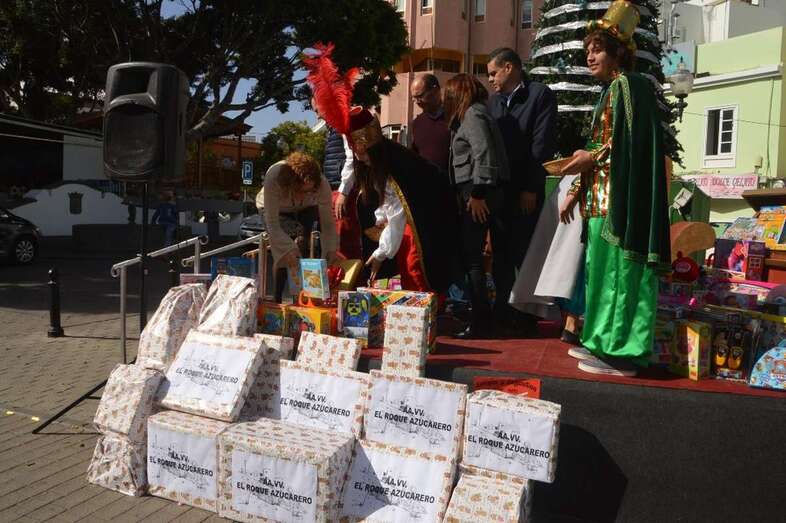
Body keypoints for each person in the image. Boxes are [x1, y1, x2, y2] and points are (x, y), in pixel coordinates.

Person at [560, 0, 671, 376]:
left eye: (597, 50)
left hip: (617, 202)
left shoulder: (629, 85)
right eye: (588, 50)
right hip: (601, 201)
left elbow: (616, 146)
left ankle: (620, 352)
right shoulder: (612, 90)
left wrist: (584, 160)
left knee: (617, 277)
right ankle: (599, 341)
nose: (590, 57)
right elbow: (605, 146)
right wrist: (577, 188)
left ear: (617, 53)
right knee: (599, 276)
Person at [487, 47, 558, 335]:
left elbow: (541, 145)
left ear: (509, 67)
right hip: (499, 193)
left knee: (526, 254)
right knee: (501, 255)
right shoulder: (494, 103)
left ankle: (527, 316)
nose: (490, 79)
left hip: (525, 191)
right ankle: (503, 310)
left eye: (493, 72)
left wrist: (531, 187)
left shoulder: (540, 95)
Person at [349, 108, 458, 294]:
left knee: (414, 266)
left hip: (424, 218)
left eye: (364, 155)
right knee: (406, 265)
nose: (361, 159)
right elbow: (386, 201)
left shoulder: (397, 164)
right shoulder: (380, 161)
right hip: (408, 220)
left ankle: (426, 311)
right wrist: (381, 220)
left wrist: (381, 253)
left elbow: (398, 209)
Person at [443, 74, 509, 338]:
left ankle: (482, 321)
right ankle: (485, 317)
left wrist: (479, 193)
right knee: (475, 257)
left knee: (473, 258)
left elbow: (484, 153)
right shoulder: (474, 114)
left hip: (479, 194)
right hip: (478, 192)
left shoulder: (473, 115)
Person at [508, 174, 585, 343]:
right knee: (574, 261)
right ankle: (570, 322)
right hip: (579, 193)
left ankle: (568, 321)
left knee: (566, 259)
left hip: (571, 190)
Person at [255, 151, 339, 301]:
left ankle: (302, 299)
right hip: (275, 209)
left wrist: (331, 249)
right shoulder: (274, 176)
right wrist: (286, 248)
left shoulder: (322, 184)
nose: (304, 193)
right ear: (291, 184)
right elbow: (273, 223)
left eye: (310, 191)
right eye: (301, 190)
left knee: (303, 244)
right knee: (285, 252)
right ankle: (277, 298)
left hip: (305, 208)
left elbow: (328, 224)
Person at [410, 73, 451, 177]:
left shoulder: (453, 118)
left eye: (420, 96)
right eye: (414, 98)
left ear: (435, 91)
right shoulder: (417, 123)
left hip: (452, 187)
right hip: (425, 186)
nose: (417, 102)